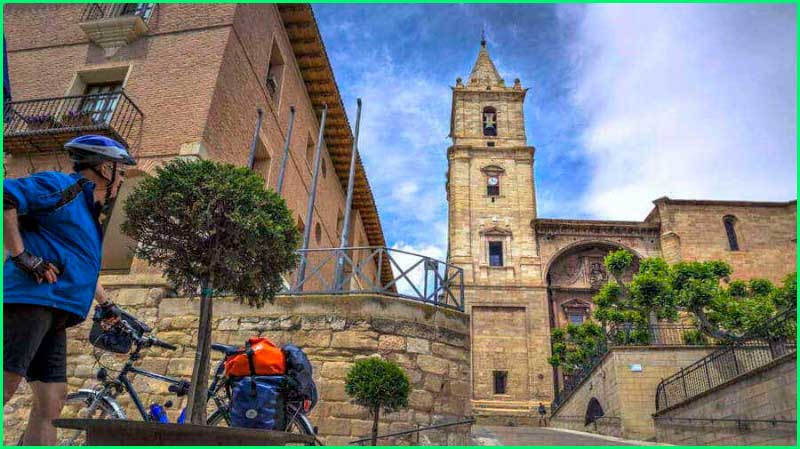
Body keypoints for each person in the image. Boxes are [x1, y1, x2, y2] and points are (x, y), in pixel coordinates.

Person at [3, 135, 136, 445]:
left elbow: (82, 270)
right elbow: (5, 197)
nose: (122, 179)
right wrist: (21, 256)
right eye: (121, 171)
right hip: (30, 301)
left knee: (53, 399)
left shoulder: (89, 215)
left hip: (57, 314)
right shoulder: (60, 186)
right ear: (105, 168)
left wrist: (107, 305)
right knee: (6, 382)